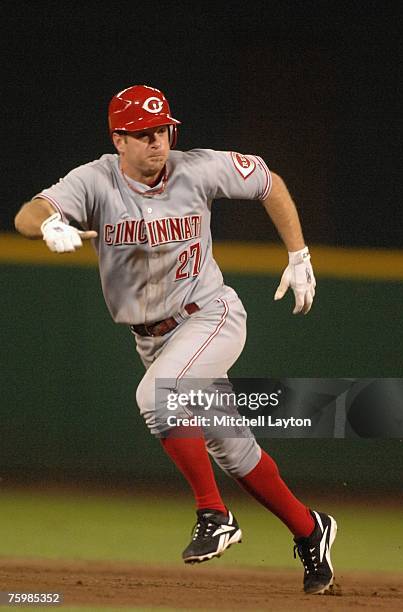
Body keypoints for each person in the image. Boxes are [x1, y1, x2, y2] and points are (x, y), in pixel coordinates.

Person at [14, 84, 337, 595]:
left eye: (162, 129)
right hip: (152, 339)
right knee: (234, 451)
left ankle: (213, 515)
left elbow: (269, 183)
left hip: (210, 316)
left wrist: (299, 255)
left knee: (155, 395)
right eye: (142, 134)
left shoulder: (199, 167)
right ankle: (311, 529)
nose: (156, 141)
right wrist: (49, 222)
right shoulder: (95, 181)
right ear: (118, 139)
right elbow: (27, 214)